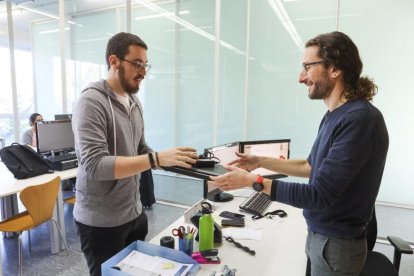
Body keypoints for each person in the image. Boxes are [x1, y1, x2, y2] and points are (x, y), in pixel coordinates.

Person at [209, 31, 389, 276]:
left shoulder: (359, 120)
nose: (301, 77)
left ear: (334, 68)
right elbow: (310, 166)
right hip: (323, 237)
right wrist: (260, 161)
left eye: (307, 66)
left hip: (337, 245)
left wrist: (254, 182)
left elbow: (319, 195)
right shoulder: (335, 115)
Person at [72, 32, 197, 276]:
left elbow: (140, 149)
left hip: (133, 212)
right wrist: (156, 159)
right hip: (101, 221)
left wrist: (175, 161)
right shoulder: (91, 102)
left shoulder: (133, 102)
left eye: (145, 65)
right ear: (114, 61)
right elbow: (95, 165)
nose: (143, 71)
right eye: (137, 64)